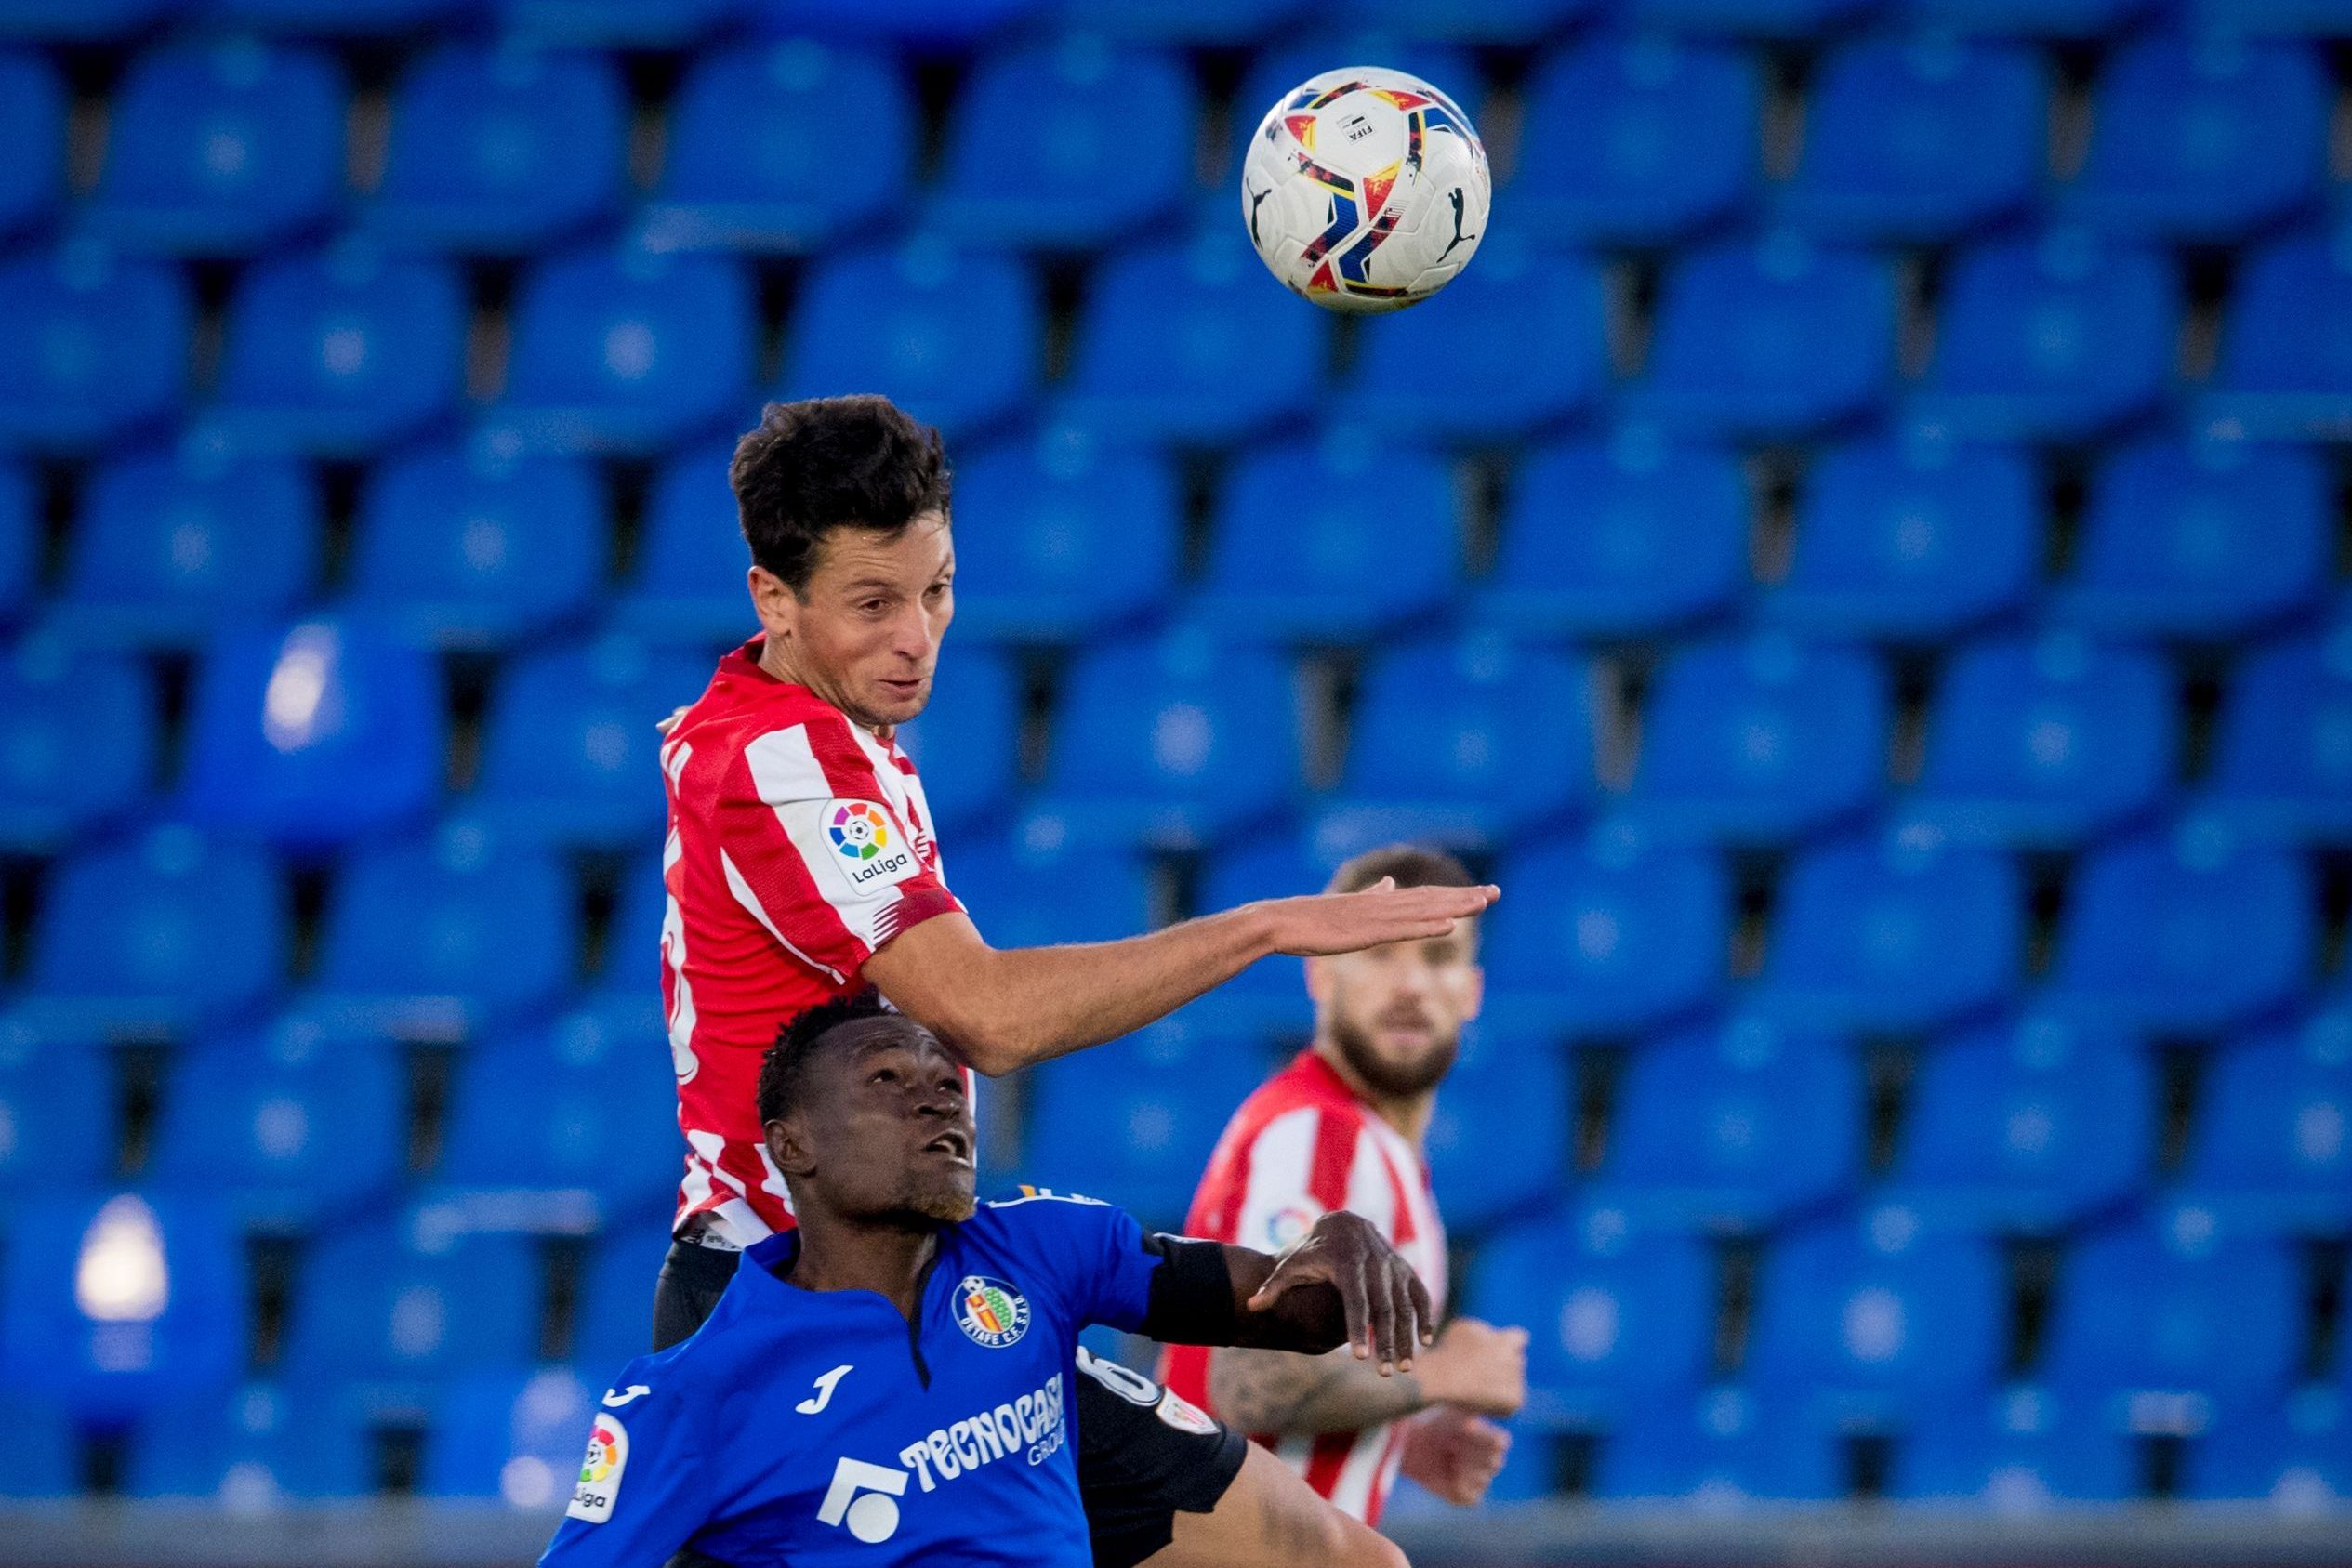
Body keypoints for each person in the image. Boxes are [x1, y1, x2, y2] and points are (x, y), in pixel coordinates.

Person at [647, 395, 1500, 1565]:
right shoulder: (779, 760)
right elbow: (987, 1016)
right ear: (773, 600)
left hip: (941, 1296)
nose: (917, 635)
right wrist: (1262, 927)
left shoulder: (835, 739)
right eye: (874, 604)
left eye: (937, 588)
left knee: (1338, 1558)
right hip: (790, 1318)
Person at [543, 994, 1433, 1568]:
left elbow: (1290, 1309)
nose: (937, 1100)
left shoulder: (1042, 1247)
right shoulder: (690, 1395)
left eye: (945, 1081)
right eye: (887, 1080)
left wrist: (1341, 1244)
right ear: (792, 1145)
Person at [1162, 846, 1528, 1526]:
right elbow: (1243, 1377)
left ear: (1472, 992)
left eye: (1438, 958)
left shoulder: (1370, 1146)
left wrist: (1395, 1436)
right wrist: (1444, 1373)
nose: (1411, 984)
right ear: (1320, 975)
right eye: (1381, 951)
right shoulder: (1320, 1135)